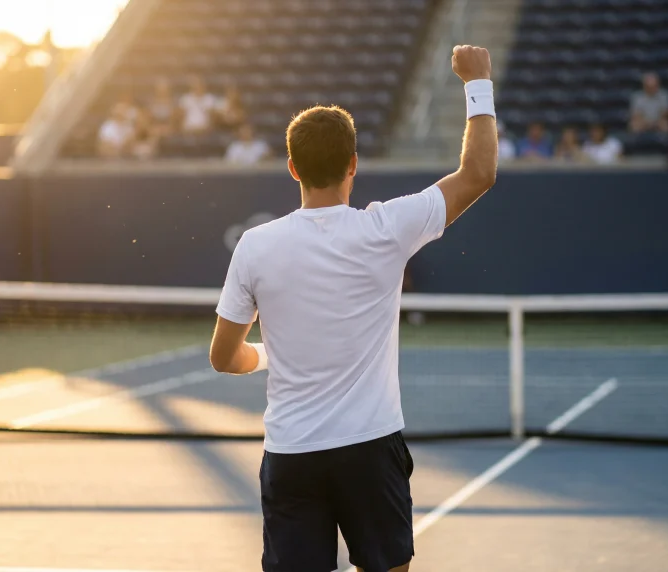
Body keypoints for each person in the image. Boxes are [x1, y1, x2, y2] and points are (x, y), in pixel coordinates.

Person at [209, 45, 497, 572]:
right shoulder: (385, 229)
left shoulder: (254, 245)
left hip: (292, 455)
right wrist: (476, 81)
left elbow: (225, 358)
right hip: (370, 452)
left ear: (292, 166)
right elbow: (478, 172)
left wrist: (271, 354)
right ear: (353, 165)